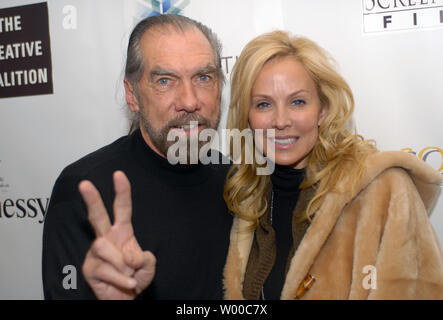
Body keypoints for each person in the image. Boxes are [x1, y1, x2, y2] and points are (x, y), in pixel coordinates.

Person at [222, 30, 443, 299]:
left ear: (323, 110)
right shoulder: (247, 199)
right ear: (247, 116)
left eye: (298, 102)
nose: (280, 121)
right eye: (264, 104)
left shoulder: (382, 190)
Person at [42, 14, 233, 299]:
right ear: (132, 95)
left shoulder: (236, 180)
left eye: (203, 77)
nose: (190, 101)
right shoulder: (84, 189)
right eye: (166, 81)